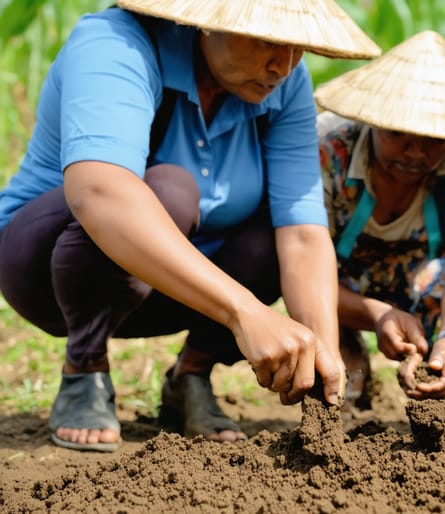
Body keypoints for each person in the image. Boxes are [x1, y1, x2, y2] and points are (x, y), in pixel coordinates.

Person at [0, 0, 380, 452]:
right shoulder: (115, 43)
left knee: (275, 225)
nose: (283, 65)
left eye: (298, 48)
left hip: (178, 291)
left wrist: (324, 352)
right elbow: (100, 192)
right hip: (52, 272)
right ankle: (85, 367)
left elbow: (301, 230)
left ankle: (191, 376)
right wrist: (245, 311)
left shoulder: (284, 83)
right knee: (170, 191)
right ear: (208, 24)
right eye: (267, 42)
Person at [313, 31, 445, 403]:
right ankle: (340, 332)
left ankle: (424, 344)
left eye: (432, 139)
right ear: (372, 120)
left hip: (417, 274)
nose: (414, 152)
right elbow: (303, 263)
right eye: (398, 134)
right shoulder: (330, 146)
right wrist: (378, 314)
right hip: (336, 275)